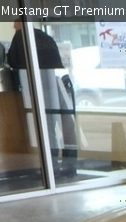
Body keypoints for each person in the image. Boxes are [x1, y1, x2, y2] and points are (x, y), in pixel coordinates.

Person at [6, 22, 77, 176]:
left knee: (46, 128)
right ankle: (70, 164)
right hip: (55, 83)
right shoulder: (45, 37)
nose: (13, 26)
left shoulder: (21, 37)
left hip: (37, 88)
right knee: (63, 124)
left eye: (15, 22)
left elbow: (12, 62)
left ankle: (51, 167)